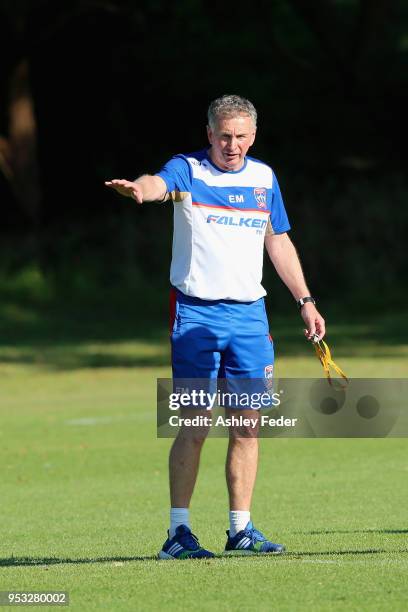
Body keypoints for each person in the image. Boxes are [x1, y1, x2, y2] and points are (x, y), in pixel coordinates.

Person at [105, 94, 325, 559]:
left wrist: (304, 300)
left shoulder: (264, 178)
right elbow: (159, 183)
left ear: (253, 135)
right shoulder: (189, 169)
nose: (233, 145)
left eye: (241, 136)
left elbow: (277, 239)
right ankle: (177, 534)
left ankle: (240, 531)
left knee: (248, 426)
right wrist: (142, 191)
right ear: (209, 134)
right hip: (196, 315)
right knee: (195, 424)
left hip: (250, 317)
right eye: (224, 135)